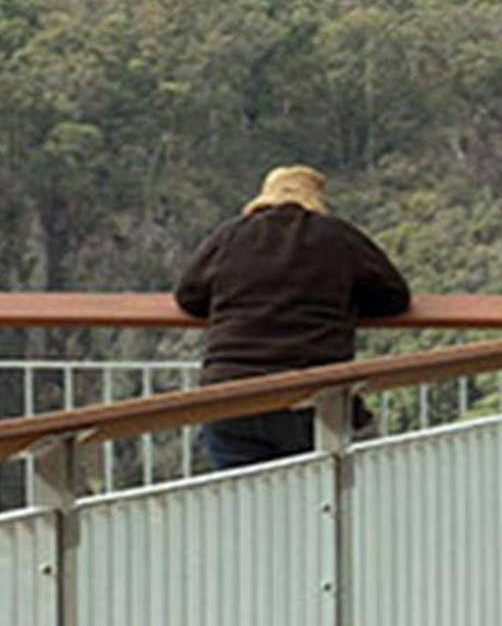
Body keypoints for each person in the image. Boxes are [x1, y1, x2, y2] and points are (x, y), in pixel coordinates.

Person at [173, 164, 411, 470]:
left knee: (243, 504)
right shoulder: (337, 237)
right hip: (314, 395)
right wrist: (344, 302)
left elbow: (188, 297)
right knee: (320, 499)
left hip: (230, 394)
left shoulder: (230, 236)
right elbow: (394, 296)